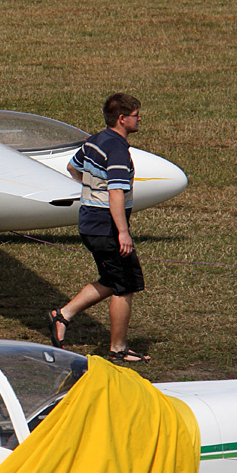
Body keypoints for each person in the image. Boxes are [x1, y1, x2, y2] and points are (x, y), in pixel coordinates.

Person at [47, 93, 151, 363]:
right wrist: (123, 233)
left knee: (110, 279)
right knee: (124, 285)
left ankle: (62, 316)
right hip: (106, 228)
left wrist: (91, 187)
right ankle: (118, 349)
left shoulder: (95, 141)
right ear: (122, 119)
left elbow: (73, 167)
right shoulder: (117, 149)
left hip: (90, 223)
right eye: (136, 115)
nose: (139, 119)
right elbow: (116, 192)